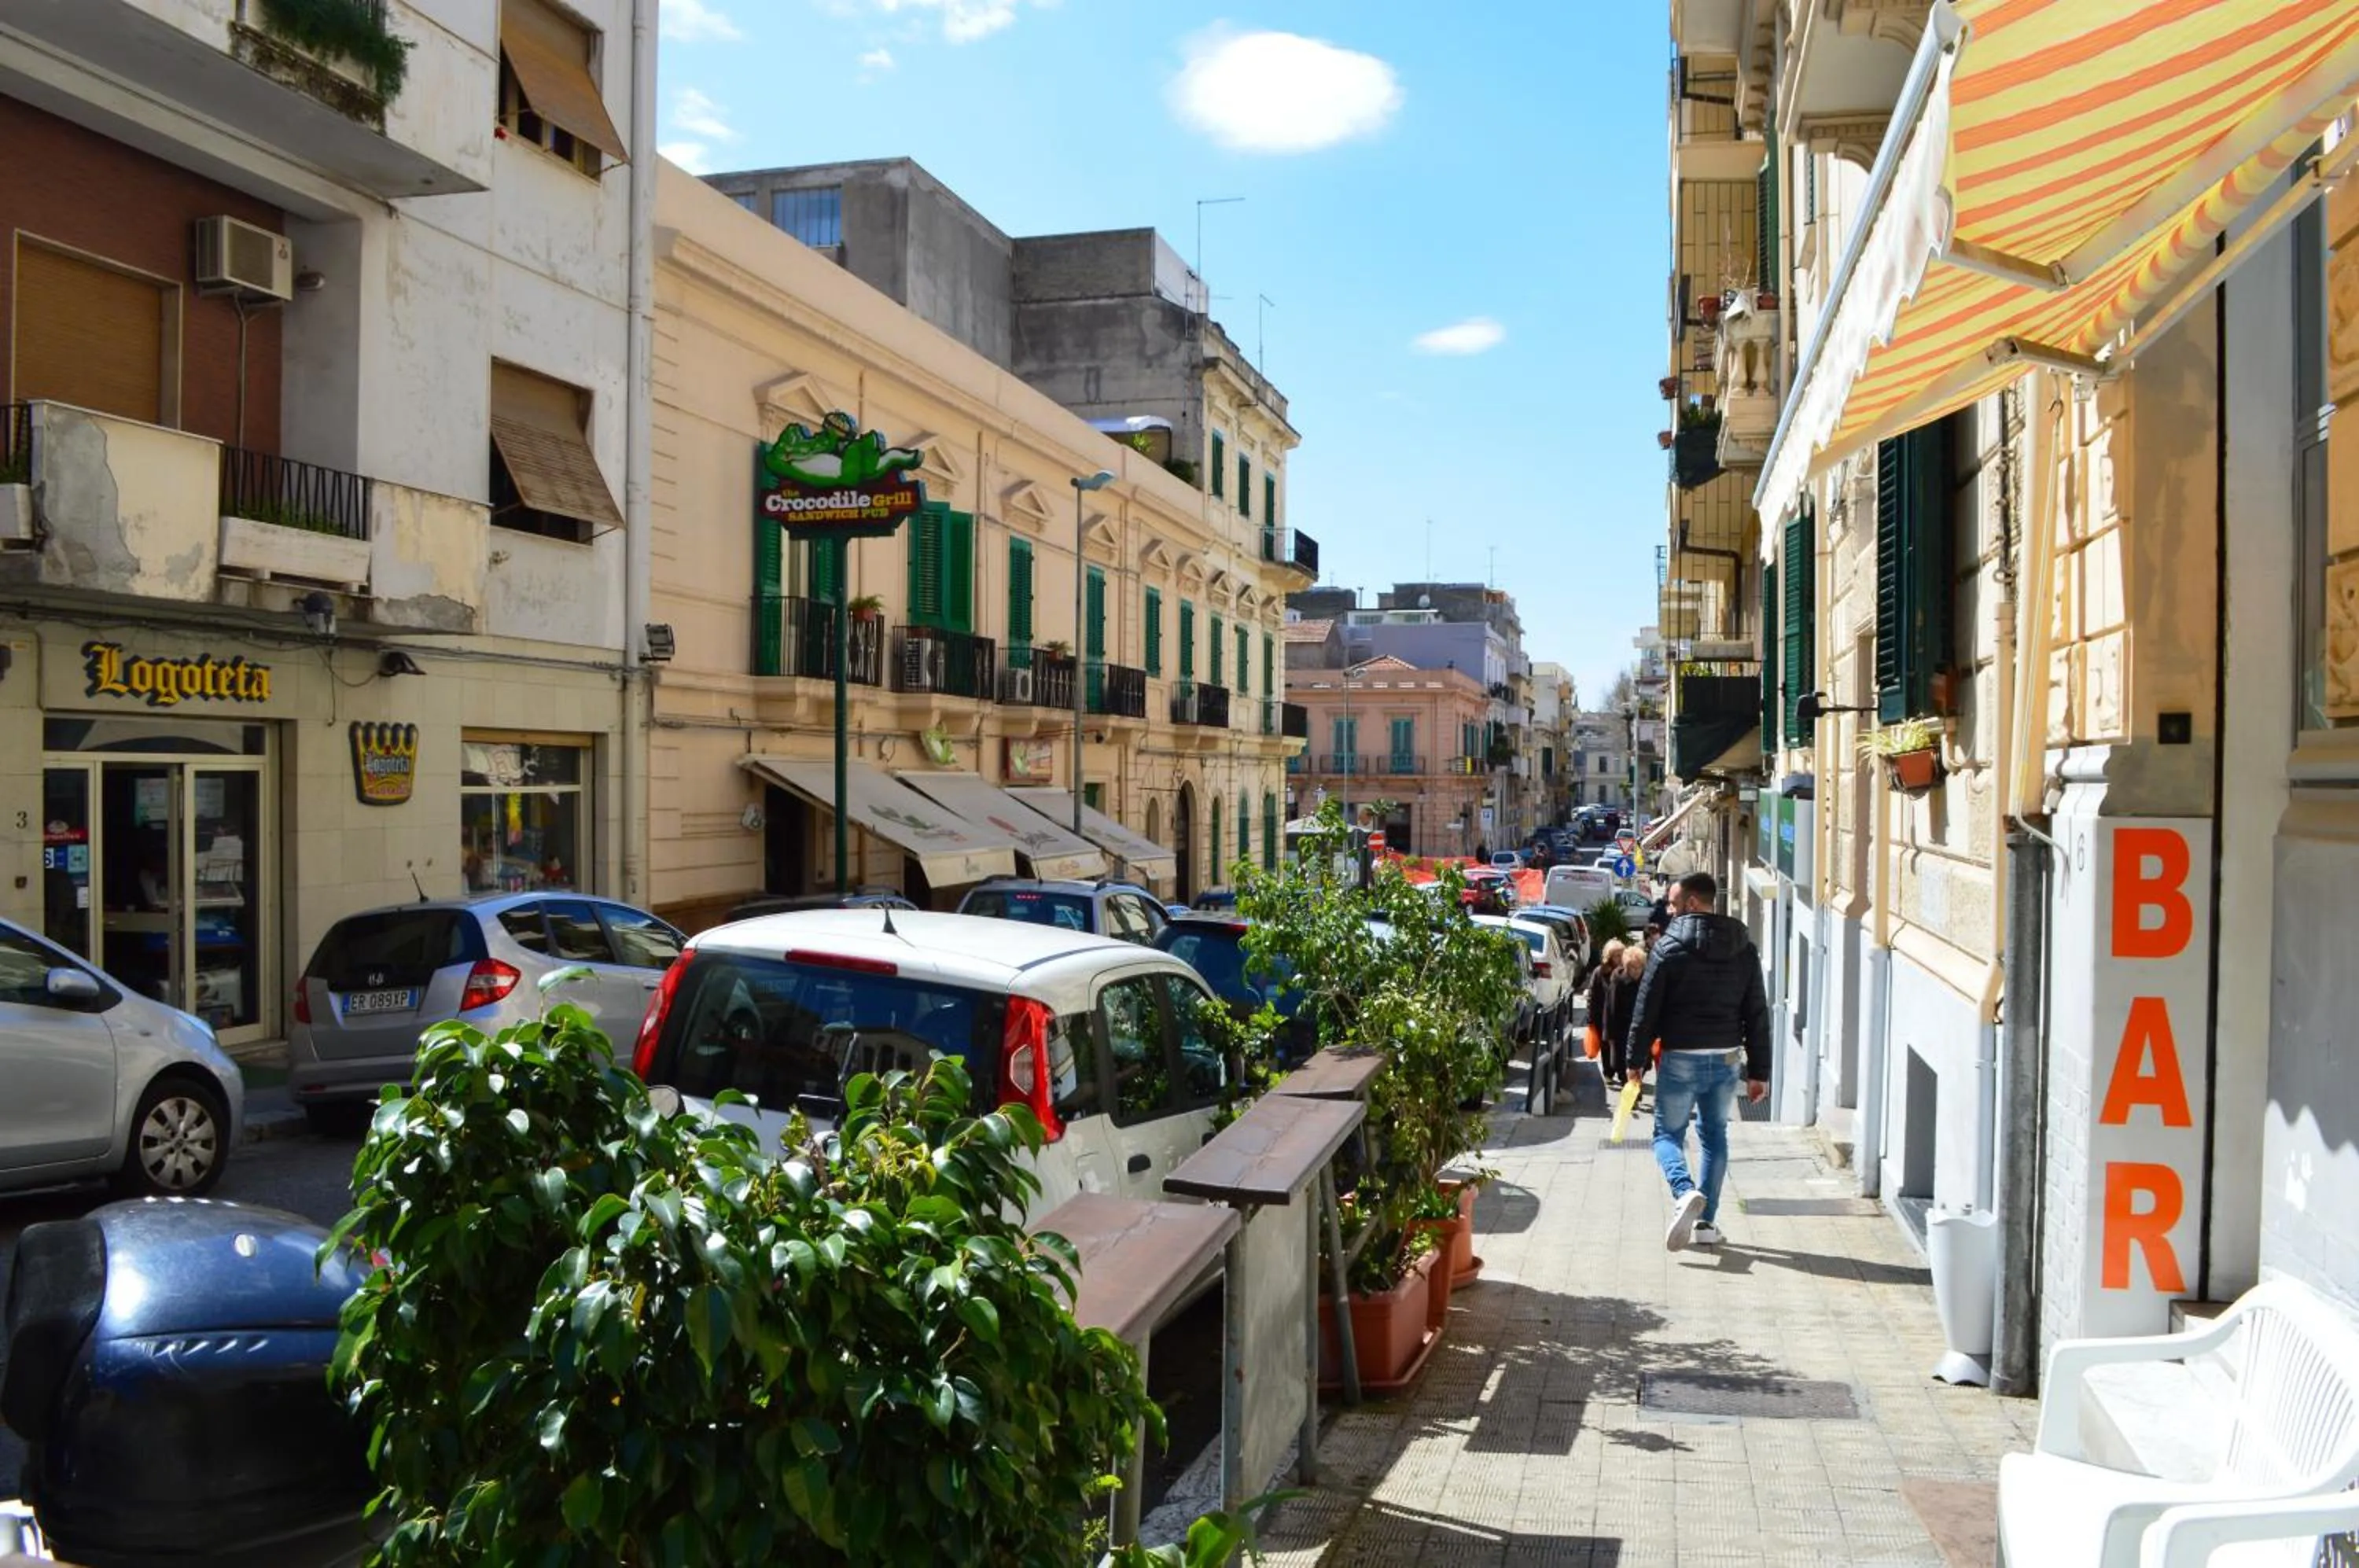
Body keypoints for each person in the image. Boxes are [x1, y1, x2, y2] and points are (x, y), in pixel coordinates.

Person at [1625, 870, 1771, 1251]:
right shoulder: (1743, 946)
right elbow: (1756, 1011)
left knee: (1666, 1136)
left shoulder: (1668, 948)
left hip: (1680, 1058)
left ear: (1691, 903)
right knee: (1714, 1136)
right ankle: (1706, 1223)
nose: (1669, 911)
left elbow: (1646, 1011)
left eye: (1673, 904)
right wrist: (1759, 1072)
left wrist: (1634, 1062)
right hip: (1725, 1059)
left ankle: (1684, 1190)